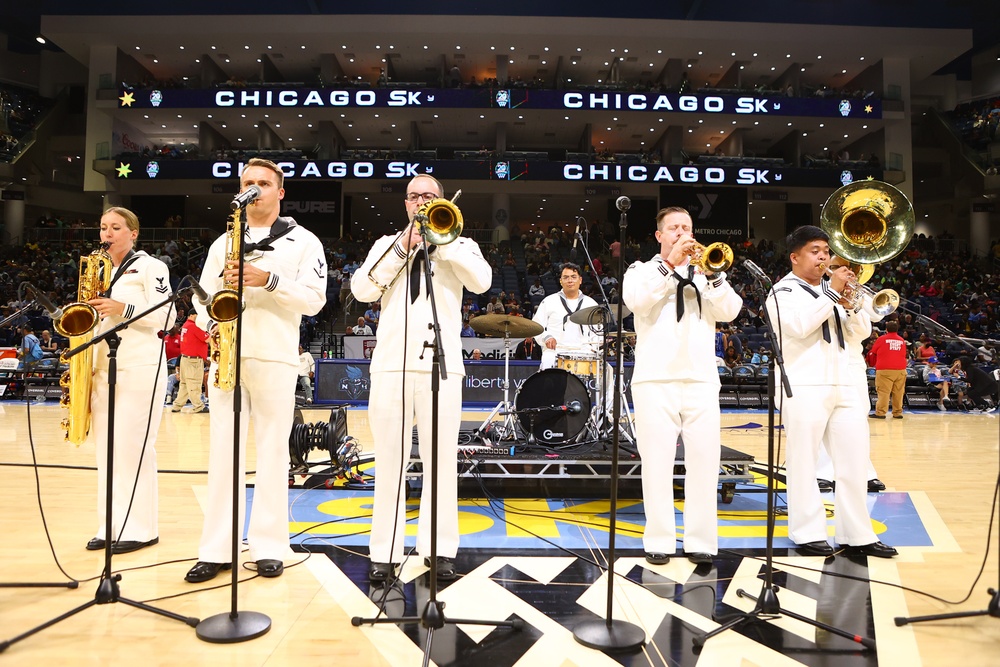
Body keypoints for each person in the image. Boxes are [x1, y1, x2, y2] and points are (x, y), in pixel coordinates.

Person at [185, 158, 327, 583]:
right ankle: (217, 548)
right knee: (222, 454)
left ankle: (270, 545)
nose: (255, 189)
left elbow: (315, 300)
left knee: (272, 454)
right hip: (227, 355)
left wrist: (268, 281)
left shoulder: (304, 241)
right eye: (248, 183)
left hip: (275, 356)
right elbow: (201, 297)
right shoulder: (223, 242)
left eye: (263, 183)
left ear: (280, 192)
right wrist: (211, 321)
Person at [352, 173, 491, 583]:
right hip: (391, 363)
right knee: (389, 461)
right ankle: (384, 552)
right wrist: (402, 247)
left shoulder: (462, 242)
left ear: (443, 201)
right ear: (406, 204)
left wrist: (443, 246)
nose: (421, 202)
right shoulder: (385, 243)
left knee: (441, 462)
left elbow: (481, 282)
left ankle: (440, 549)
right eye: (414, 196)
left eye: (429, 196)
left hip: (441, 365)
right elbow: (363, 290)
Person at [765, 225, 896, 558]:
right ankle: (807, 532)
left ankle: (858, 534)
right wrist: (833, 294)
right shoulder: (782, 292)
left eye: (825, 250)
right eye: (814, 251)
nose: (823, 256)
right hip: (804, 385)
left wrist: (852, 305)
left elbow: (858, 335)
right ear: (795, 257)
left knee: (853, 463)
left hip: (844, 382)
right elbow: (798, 326)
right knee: (804, 462)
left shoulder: (832, 292)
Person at [623, 206, 743, 565]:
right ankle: (659, 539)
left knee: (705, 464)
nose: (681, 233)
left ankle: (701, 541)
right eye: (673, 228)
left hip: (701, 379)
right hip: (654, 379)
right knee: (656, 464)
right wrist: (670, 265)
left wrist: (715, 276)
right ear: (659, 235)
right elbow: (637, 302)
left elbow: (731, 311)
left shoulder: (706, 273)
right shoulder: (641, 271)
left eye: (686, 227)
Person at [86, 206, 174, 555]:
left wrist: (123, 308)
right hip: (104, 368)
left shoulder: (151, 266)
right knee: (106, 449)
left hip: (141, 366)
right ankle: (109, 524)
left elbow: (168, 314)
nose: (108, 234)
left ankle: (141, 528)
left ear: (133, 233)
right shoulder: (97, 272)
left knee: (132, 448)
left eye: (116, 228)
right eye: (104, 227)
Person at [531, 262, 602, 370]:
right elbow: (536, 326)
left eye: (573, 277)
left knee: (606, 369)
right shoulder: (549, 301)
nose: (570, 280)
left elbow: (598, 331)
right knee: (547, 360)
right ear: (561, 281)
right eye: (566, 277)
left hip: (584, 351)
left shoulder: (591, 304)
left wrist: (597, 345)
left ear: (580, 280)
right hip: (556, 351)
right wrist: (546, 337)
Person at [170, 312, 209, 413]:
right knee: (194, 382)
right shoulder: (194, 326)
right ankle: (199, 406)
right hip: (193, 360)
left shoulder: (185, 325)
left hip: (185, 359)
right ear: (191, 315)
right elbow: (207, 339)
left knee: (185, 384)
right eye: (197, 315)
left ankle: (177, 405)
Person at [868, 320, 908, 418]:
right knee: (899, 392)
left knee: (883, 392)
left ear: (886, 329)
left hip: (885, 369)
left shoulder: (881, 339)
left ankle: (881, 413)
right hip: (901, 369)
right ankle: (897, 412)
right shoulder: (901, 340)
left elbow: (873, 351)